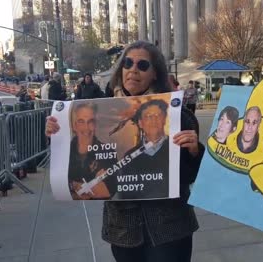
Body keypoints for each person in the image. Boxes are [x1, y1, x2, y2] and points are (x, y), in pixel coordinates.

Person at [46, 41, 205, 262]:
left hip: (170, 228)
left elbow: (190, 177)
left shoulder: (180, 116)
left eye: (142, 65)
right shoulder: (101, 115)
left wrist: (195, 151)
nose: (133, 69)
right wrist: (59, 132)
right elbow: (83, 160)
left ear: (155, 74)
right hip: (123, 229)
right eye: (128, 63)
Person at [116, 99, 171, 200]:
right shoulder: (130, 156)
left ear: (164, 119)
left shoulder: (176, 148)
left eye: (158, 115)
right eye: (148, 116)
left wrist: (194, 152)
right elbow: (124, 193)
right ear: (140, 123)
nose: (153, 120)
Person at [68, 103, 116, 200]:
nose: (86, 127)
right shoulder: (65, 151)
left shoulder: (108, 151)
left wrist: (78, 188)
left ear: (95, 125)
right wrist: (73, 185)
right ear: (74, 126)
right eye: (81, 121)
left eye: (90, 121)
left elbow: (107, 191)